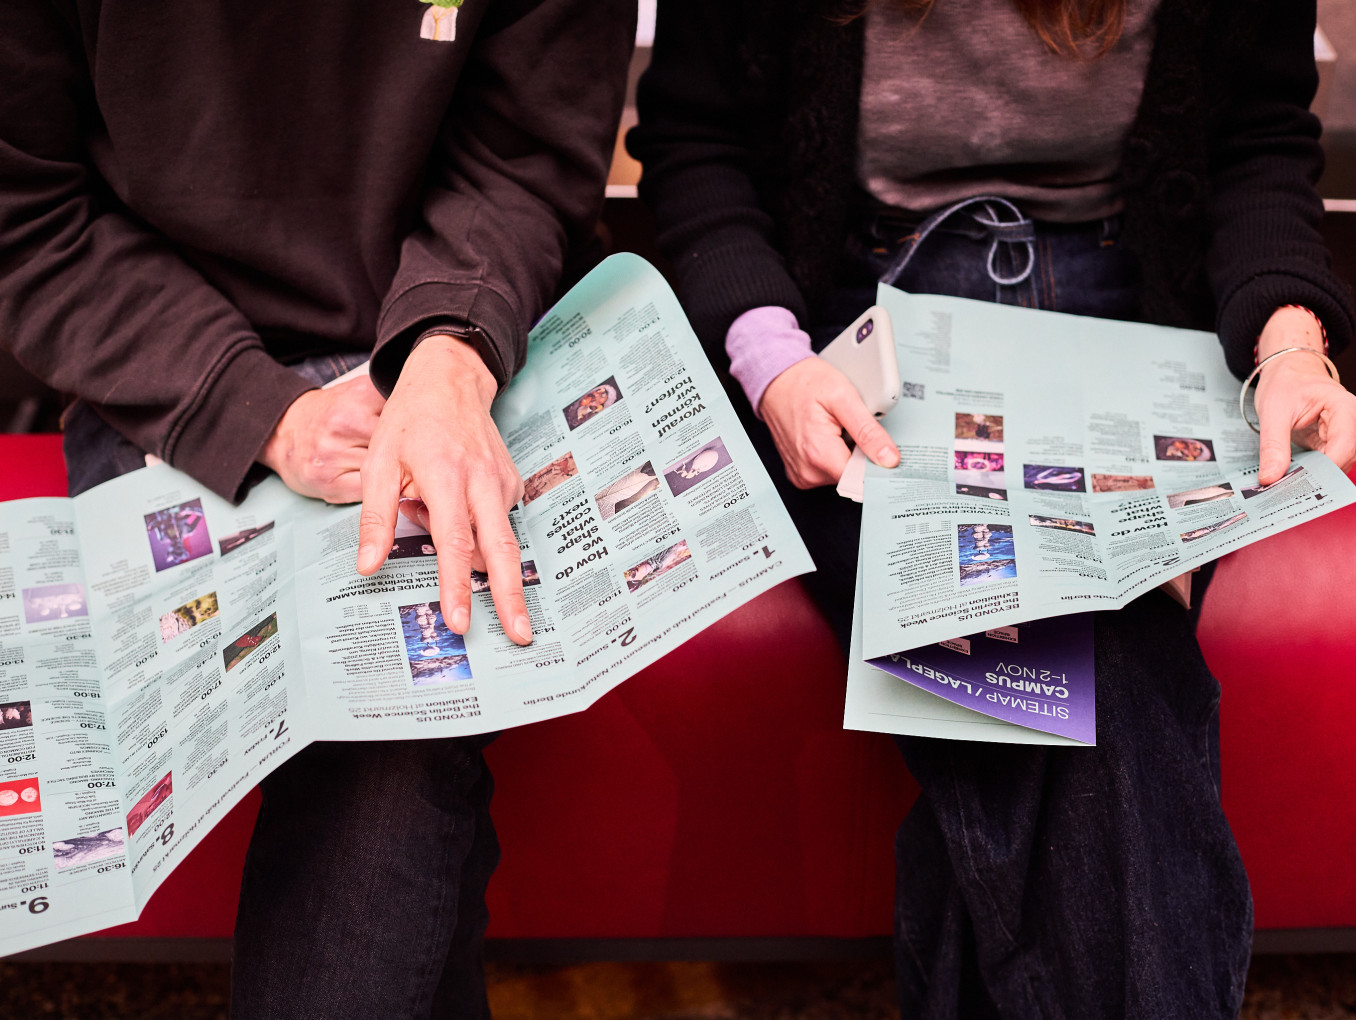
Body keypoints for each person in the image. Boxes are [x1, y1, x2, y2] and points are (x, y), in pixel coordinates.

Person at [629, 0, 1355, 1015]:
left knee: (1080, 678)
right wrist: (770, 360)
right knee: (1095, 671)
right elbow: (695, 142)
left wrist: (1289, 340)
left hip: (1139, 321)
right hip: (857, 333)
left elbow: (1259, 143)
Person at [0, 2, 633, 1016]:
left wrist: (448, 349)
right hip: (166, 374)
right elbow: (30, 216)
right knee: (405, 741)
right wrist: (263, 414)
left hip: (444, 332)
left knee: (408, 699)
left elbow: (525, 157)